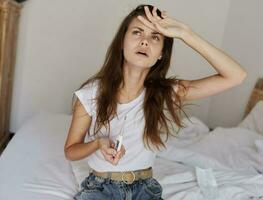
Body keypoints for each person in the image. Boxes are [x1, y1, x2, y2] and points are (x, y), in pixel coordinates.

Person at [64, 4, 247, 200]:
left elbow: (236, 76)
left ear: (160, 54)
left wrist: (186, 34)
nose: (145, 41)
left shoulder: (165, 93)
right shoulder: (92, 92)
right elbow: (71, 151)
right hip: (101, 189)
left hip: (145, 189)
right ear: (121, 43)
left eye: (155, 37)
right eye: (137, 32)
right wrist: (97, 144)